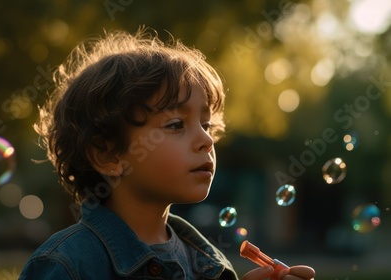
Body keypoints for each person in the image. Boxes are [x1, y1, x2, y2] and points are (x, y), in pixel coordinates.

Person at [19, 27, 315, 280]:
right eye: (175, 124)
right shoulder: (68, 265)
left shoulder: (211, 265)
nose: (206, 141)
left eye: (207, 125)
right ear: (106, 154)